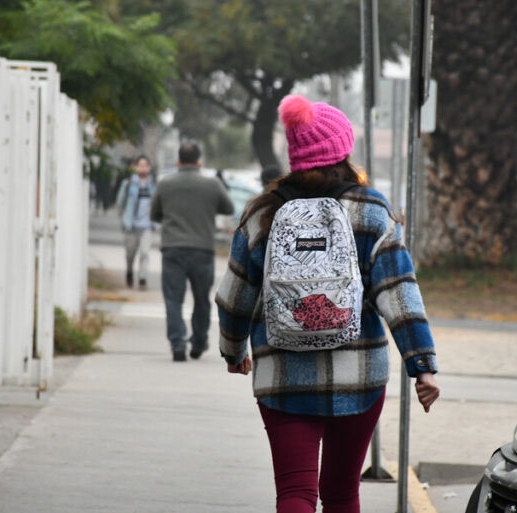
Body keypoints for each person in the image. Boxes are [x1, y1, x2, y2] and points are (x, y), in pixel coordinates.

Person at [215, 95, 440, 513]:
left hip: (283, 378)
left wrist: (233, 351)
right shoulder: (372, 211)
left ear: (296, 155)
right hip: (360, 378)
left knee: (295, 494)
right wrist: (421, 364)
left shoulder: (262, 213)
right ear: (343, 151)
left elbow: (233, 297)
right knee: (341, 493)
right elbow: (399, 293)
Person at [151, 142, 234, 362]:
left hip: (172, 248)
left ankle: (177, 344)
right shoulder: (213, 184)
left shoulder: (165, 183)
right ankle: (198, 341)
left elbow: (154, 214)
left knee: (173, 299)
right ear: (199, 162)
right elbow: (229, 208)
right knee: (201, 298)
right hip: (202, 249)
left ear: (178, 161)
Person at [115, 155, 157, 289]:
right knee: (130, 254)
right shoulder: (128, 184)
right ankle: (129, 271)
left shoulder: (154, 185)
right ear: (135, 167)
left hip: (147, 226)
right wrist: (123, 219)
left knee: (145, 253)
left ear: (149, 168)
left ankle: (143, 279)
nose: (143, 168)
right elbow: (120, 203)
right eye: (140, 165)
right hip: (131, 226)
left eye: (145, 165)